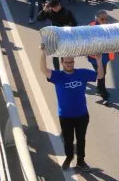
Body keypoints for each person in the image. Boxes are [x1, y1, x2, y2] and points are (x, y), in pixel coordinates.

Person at [39, 44, 104, 172]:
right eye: (67, 62)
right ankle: (69, 158)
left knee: (81, 139)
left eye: (72, 61)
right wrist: (43, 53)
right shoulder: (58, 76)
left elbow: (100, 76)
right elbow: (43, 69)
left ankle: (81, 161)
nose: (70, 64)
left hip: (82, 115)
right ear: (62, 62)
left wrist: (99, 60)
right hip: (65, 116)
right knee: (68, 140)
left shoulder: (82, 73)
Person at [37, 0, 78, 70]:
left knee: (65, 55)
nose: (55, 10)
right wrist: (44, 10)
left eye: (56, 8)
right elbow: (39, 18)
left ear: (59, 5)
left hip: (65, 36)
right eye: (53, 8)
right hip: (54, 36)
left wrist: (68, 28)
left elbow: (74, 24)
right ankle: (57, 71)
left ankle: (66, 69)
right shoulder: (50, 12)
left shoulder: (67, 12)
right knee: (55, 56)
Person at [87, 10, 114, 104]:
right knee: (100, 73)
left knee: (103, 72)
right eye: (102, 19)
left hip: (105, 55)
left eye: (106, 19)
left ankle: (99, 88)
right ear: (96, 18)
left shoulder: (108, 25)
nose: (105, 20)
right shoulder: (91, 27)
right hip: (95, 57)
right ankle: (104, 94)